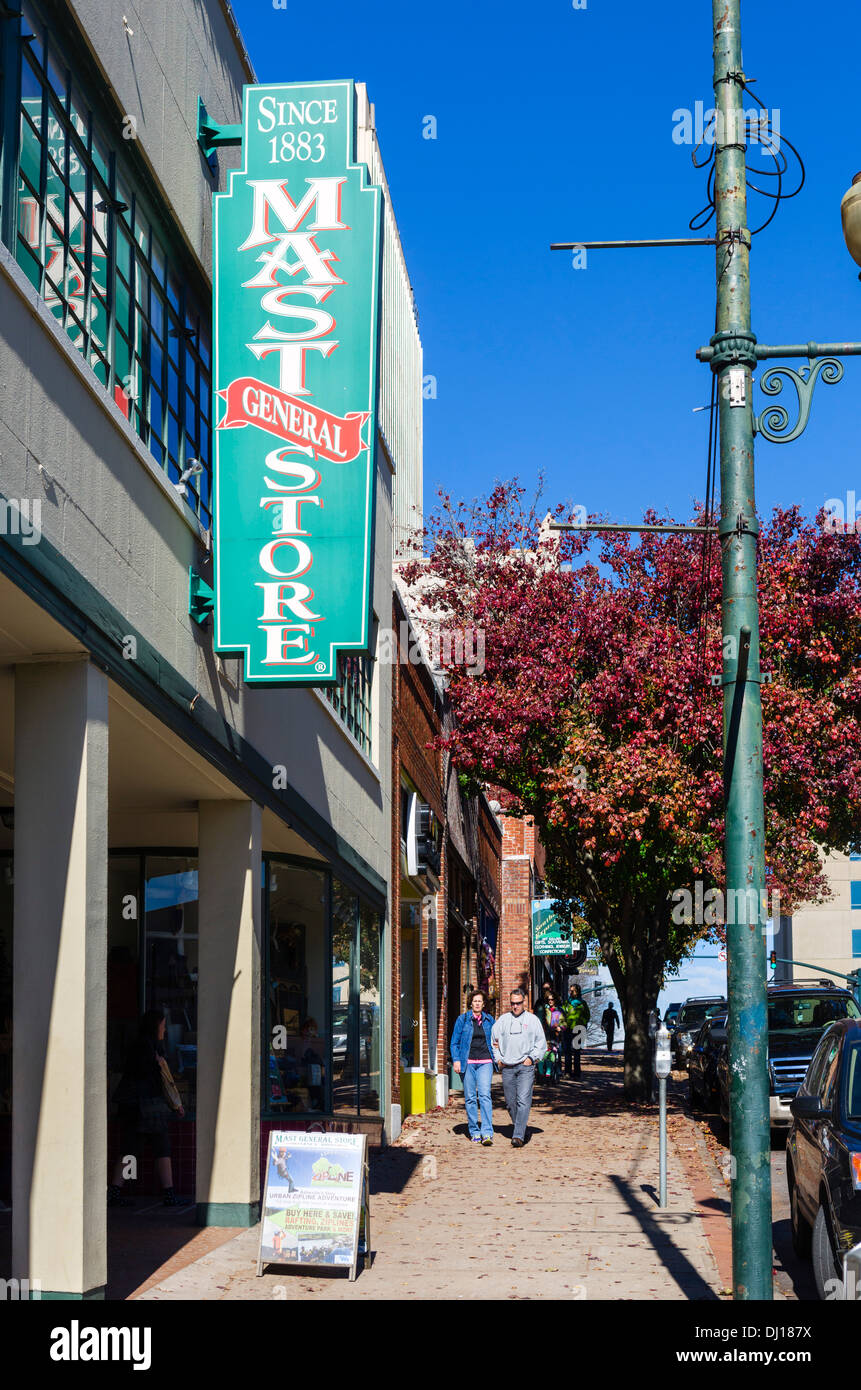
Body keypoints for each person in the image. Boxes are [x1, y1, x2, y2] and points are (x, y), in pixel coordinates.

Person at [108, 1008, 184, 1207]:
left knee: (132, 1148)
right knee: (158, 1147)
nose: (165, 1030)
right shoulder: (147, 1048)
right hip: (146, 1106)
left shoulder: (143, 1045)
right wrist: (175, 1103)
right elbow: (157, 1079)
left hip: (137, 1106)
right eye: (162, 1025)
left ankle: (115, 1191)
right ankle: (168, 1193)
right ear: (155, 1025)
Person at [490, 989, 547, 1146]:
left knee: (523, 1100)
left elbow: (541, 1043)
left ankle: (518, 1136)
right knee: (510, 1102)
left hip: (525, 1067)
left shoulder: (533, 1020)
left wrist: (531, 1058)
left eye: (518, 1003)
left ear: (524, 1002)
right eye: (513, 1003)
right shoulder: (502, 1020)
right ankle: (521, 1127)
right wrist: (499, 1060)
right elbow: (494, 1042)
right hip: (507, 1066)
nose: (515, 1006)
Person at [450, 989, 497, 1145]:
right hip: (467, 1062)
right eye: (475, 1001)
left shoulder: (490, 1020)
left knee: (484, 1096)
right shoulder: (462, 1020)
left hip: (485, 1061)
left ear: (484, 1004)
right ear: (471, 1003)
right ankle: (474, 1131)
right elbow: (454, 1042)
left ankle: (487, 1132)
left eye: (480, 1001)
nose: (477, 1003)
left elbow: (497, 1040)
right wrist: (456, 1060)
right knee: (470, 1098)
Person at [562, 984, 590, 1078]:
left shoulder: (583, 1003)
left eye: (573, 990)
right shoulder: (567, 1003)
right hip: (568, 1030)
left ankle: (577, 1073)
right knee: (567, 1052)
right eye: (570, 990)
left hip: (578, 1030)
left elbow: (587, 1016)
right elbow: (562, 1015)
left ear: (577, 991)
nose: (571, 992)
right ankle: (567, 1072)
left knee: (576, 1052)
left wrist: (582, 1023)